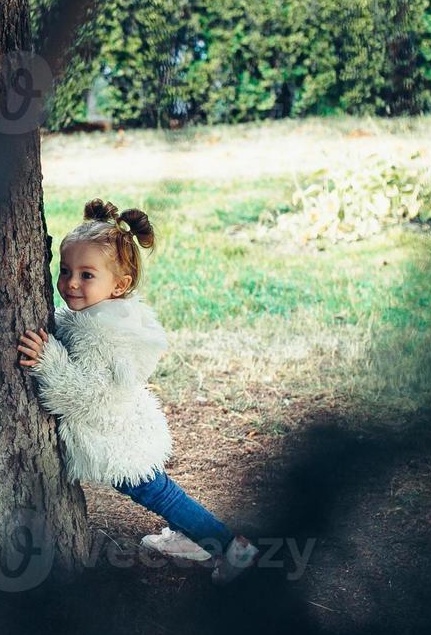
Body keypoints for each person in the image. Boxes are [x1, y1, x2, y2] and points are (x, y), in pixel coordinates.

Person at [17, 198, 259, 584]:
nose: (70, 283)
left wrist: (49, 359)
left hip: (115, 436)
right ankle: (196, 535)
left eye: (86, 274)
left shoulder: (103, 334)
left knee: (157, 492)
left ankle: (231, 547)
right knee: (161, 490)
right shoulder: (107, 313)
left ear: (120, 284)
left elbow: (86, 397)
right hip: (126, 424)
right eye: (65, 271)